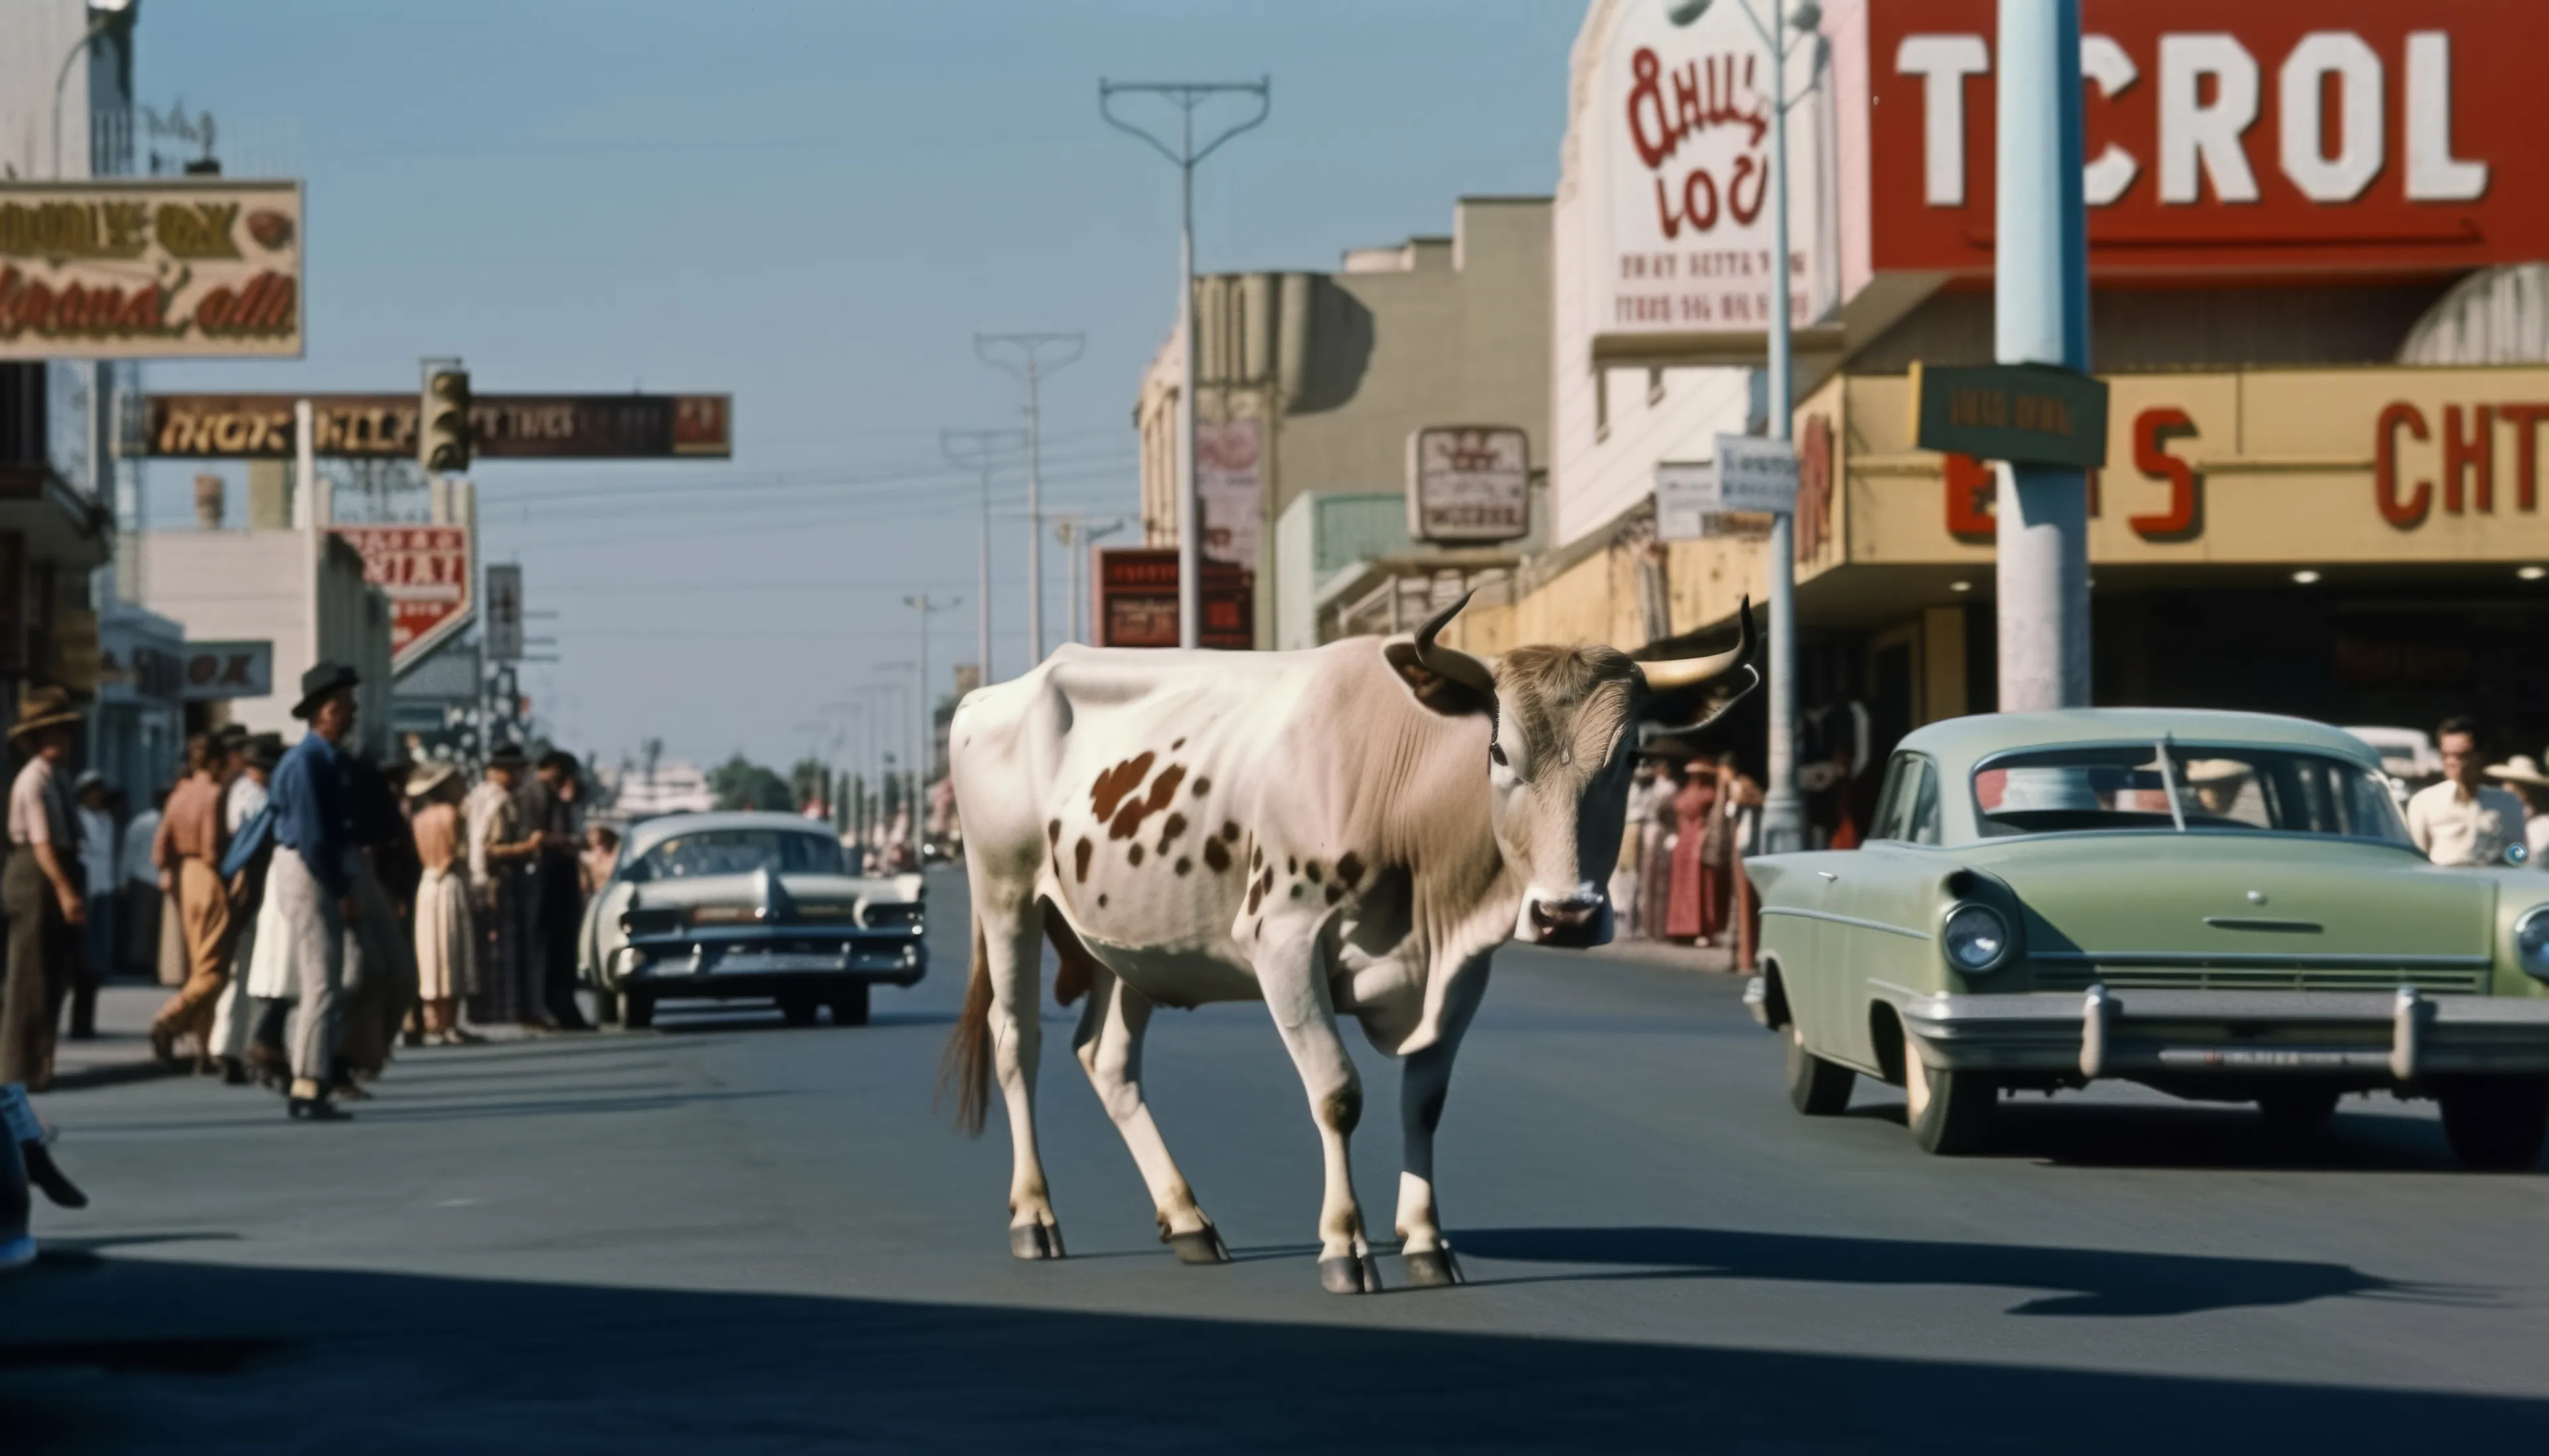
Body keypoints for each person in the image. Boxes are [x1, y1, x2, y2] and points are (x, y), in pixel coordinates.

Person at [250, 663, 364, 1121]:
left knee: (327, 978)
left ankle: (308, 1074)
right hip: (309, 868)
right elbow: (315, 836)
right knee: (321, 980)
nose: (353, 714)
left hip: (305, 866)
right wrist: (339, 888)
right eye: (347, 706)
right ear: (329, 710)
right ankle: (309, 1082)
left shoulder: (316, 759)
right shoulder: (309, 762)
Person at [1, 688, 86, 1090]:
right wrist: (66, 891)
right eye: (56, 734)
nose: (64, 741)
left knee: (52, 973)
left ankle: (39, 1065)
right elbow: (42, 844)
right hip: (36, 874)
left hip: (56, 869)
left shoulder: (58, 779)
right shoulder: (33, 780)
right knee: (29, 976)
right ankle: (19, 1069)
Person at [145, 734, 232, 1067]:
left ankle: (205, 1047)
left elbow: (160, 843)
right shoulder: (213, 794)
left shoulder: (178, 794)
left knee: (200, 963)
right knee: (213, 970)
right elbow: (211, 844)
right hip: (208, 876)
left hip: (185, 876)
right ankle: (169, 1019)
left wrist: (169, 870)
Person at [207, 732, 285, 1086]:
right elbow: (247, 845)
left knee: (245, 972)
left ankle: (232, 1045)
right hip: (251, 891)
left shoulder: (240, 791)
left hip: (245, 890)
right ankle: (236, 1046)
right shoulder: (254, 797)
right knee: (250, 972)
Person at [466, 744, 540, 1029]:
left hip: (478, 879)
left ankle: (487, 1008)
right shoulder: (498, 801)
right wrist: (527, 847)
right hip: (496, 881)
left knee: (485, 949)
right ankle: (499, 1009)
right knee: (499, 950)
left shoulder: (477, 797)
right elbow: (492, 849)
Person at [518, 751, 592, 1031]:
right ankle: (550, 1002)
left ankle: (562, 1002)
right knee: (547, 942)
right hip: (545, 872)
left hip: (561, 871)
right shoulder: (534, 793)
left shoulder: (558, 796)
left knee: (563, 942)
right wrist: (569, 842)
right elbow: (537, 837)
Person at [408, 761, 479, 1045]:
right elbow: (456, 852)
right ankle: (448, 1021)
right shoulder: (452, 814)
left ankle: (433, 1020)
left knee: (431, 953)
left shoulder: (418, 818)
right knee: (451, 951)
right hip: (448, 883)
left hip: (427, 886)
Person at [2407, 716, 2527, 869]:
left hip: (2492, 884)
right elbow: (2416, 860)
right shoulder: (2424, 802)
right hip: (2442, 885)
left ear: (2480, 755)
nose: (2452, 762)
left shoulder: (2508, 803)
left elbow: (2518, 854)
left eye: (2462, 756)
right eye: (2446, 755)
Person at [70, 769, 117, 1037]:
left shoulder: (106, 819)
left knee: (102, 942)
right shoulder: (80, 818)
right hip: (87, 885)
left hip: (104, 884)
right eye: (92, 791)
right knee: (85, 950)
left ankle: (101, 971)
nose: (97, 796)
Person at [1664, 758, 1722, 944]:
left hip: (1697, 837)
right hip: (1685, 839)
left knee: (1696, 883)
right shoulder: (1690, 793)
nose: (1695, 778)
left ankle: (1698, 929)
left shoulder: (1707, 794)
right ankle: (1680, 928)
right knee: (1682, 885)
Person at [1614, 761, 1664, 938]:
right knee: (1626, 877)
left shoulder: (1652, 791)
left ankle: (1636, 922)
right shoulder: (1633, 789)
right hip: (1631, 829)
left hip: (1643, 831)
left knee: (1640, 879)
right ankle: (1624, 920)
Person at [119, 786, 165, 978]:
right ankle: (142, 962)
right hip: (146, 878)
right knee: (145, 925)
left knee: (147, 925)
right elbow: (129, 851)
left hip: (147, 878)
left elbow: (127, 852)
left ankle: (145, 962)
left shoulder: (142, 821)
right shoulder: (147, 823)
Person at [2483, 754, 2549, 869]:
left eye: (2517, 786)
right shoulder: (2493, 821)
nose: (2507, 789)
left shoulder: (2543, 825)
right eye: (2507, 783)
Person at [581, 823, 621, 898]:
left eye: (599, 844)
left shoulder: (617, 857)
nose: (597, 850)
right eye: (591, 847)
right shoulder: (588, 860)